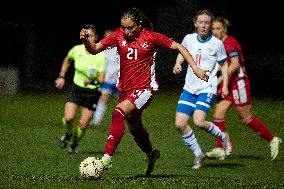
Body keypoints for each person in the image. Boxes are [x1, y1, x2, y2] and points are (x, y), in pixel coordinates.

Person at [80, 7, 209, 176]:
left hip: (144, 90)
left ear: (139, 25)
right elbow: (94, 49)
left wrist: (195, 68)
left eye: (130, 28)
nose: (126, 31)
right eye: (123, 27)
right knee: (135, 128)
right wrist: (85, 41)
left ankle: (106, 159)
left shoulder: (151, 37)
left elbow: (179, 46)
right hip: (125, 90)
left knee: (118, 112)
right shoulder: (118, 35)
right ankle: (150, 154)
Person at [206, 17, 282, 161]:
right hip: (229, 83)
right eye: (213, 29)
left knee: (245, 118)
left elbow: (234, 65)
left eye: (218, 29)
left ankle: (272, 139)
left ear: (225, 29)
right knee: (218, 115)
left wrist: (221, 81)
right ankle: (221, 148)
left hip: (238, 83)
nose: (215, 32)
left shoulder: (229, 44)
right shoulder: (219, 44)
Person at [173, 9, 230, 170]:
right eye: (201, 22)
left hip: (207, 88)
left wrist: (224, 85)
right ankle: (198, 153)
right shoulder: (189, 39)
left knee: (198, 121)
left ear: (210, 25)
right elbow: (182, 52)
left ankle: (221, 136)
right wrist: (178, 63)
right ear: (195, 24)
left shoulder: (217, 44)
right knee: (180, 124)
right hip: (189, 88)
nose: (203, 25)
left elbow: (224, 64)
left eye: (207, 23)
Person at [55, 24, 106, 154]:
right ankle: (67, 134)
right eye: (85, 36)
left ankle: (74, 144)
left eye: (90, 36)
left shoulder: (100, 55)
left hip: (92, 92)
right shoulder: (76, 50)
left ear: (96, 38)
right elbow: (67, 60)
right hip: (76, 89)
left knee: (83, 124)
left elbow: (101, 79)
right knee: (68, 118)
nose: (87, 38)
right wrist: (61, 76)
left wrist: (91, 81)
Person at [92, 29, 120, 128]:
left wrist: (116, 71)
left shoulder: (120, 49)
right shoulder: (102, 49)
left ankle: (133, 121)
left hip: (119, 80)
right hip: (107, 79)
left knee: (125, 102)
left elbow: (124, 63)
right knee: (103, 98)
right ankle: (96, 120)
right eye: (106, 36)